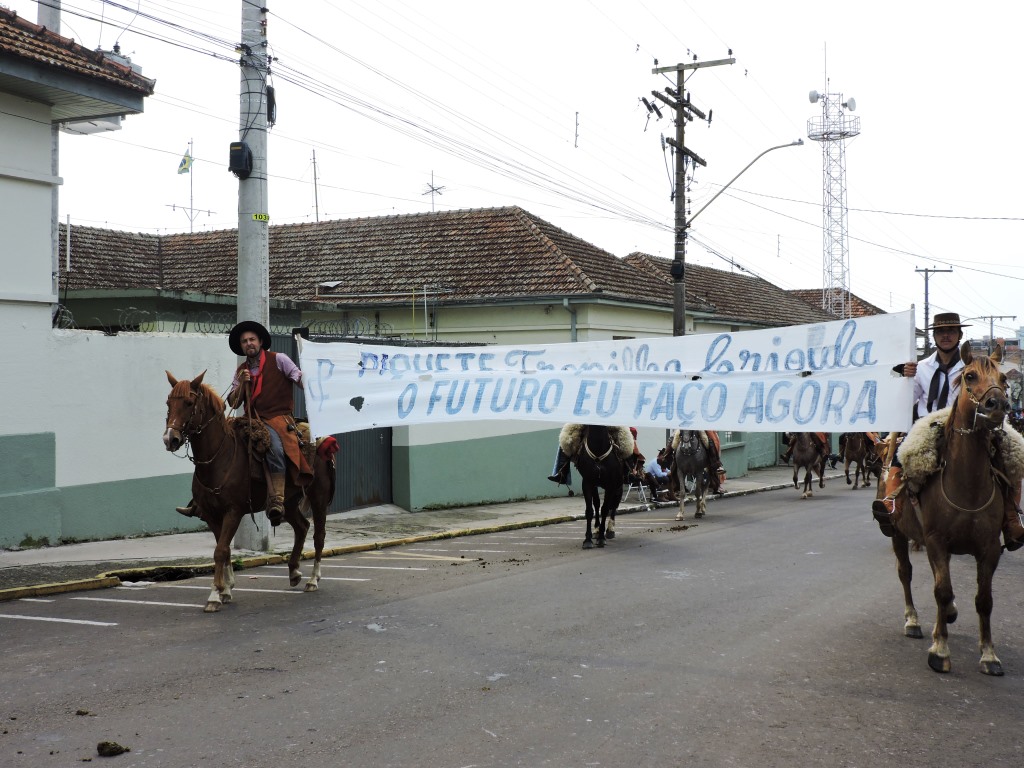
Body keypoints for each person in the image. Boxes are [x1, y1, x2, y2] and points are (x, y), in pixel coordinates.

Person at [871, 312, 1024, 551]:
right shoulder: (920, 367)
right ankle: (893, 504)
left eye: (951, 331)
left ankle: (1012, 520)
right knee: (902, 453)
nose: (946, 335)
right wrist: (902, 377)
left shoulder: (974, 367)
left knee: (1013, 452)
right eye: (941, 331)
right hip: (929, 422)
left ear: (959, 335)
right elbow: (907, 399)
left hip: (970, 423)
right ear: (934, 336)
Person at [177, 320, 312, 525]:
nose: (248, 343)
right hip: (250, 419)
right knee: (217, 444)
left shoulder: (279, 360)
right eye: (244, 341)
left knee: (273, 446)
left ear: (260, 342)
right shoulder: (241, 370)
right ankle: (201, 499)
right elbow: (233, 401)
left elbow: (298, 377)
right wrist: (242, 384)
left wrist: (311, 382)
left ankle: (276, 497)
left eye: (252, 340)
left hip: (277, 418)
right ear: (241, 346)